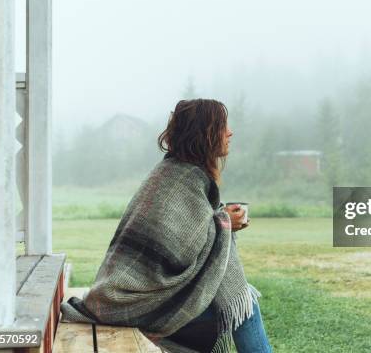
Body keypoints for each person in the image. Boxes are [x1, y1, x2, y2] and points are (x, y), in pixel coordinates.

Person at [60, 99, 272, 353]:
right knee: (243, 304)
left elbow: (184, 240)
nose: (230, 132)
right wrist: (223, 222)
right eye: (222, 126)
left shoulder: (177, 173)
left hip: (133, 297)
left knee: (239, 297)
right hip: (131, 301)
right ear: (204, 134)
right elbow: (182, 249)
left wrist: (220, 222)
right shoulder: (180, 179)